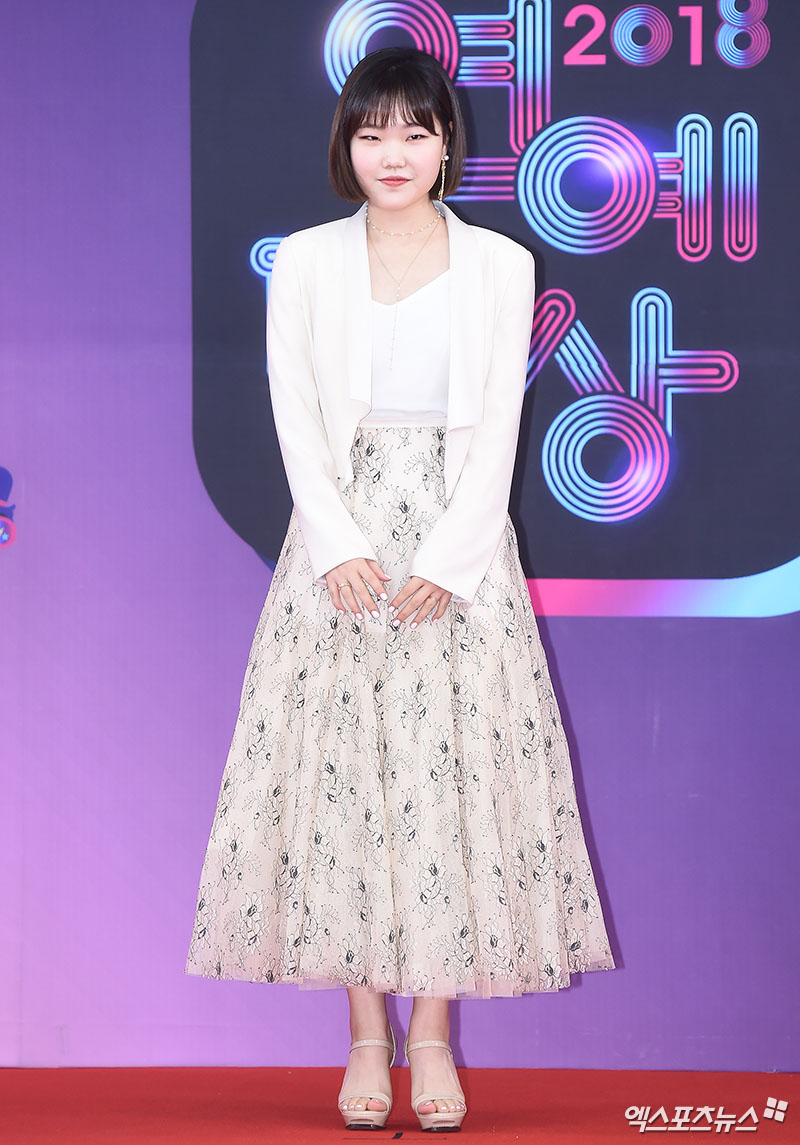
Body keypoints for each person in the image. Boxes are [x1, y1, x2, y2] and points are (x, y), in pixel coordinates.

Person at [184, 46, 616, 1133]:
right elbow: (293, 409)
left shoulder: (501, 263)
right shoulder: (306, 261)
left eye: (415, 132)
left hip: (456, 541)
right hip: (340, 535)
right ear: (345, 141)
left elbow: (501, 424)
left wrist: (451, 560)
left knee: (449, 774)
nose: (393, 153)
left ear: (445, 144)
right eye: (372, 131)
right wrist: (335, 543)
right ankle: (363, 1035)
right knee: (345, 778)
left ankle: (432, 1035)